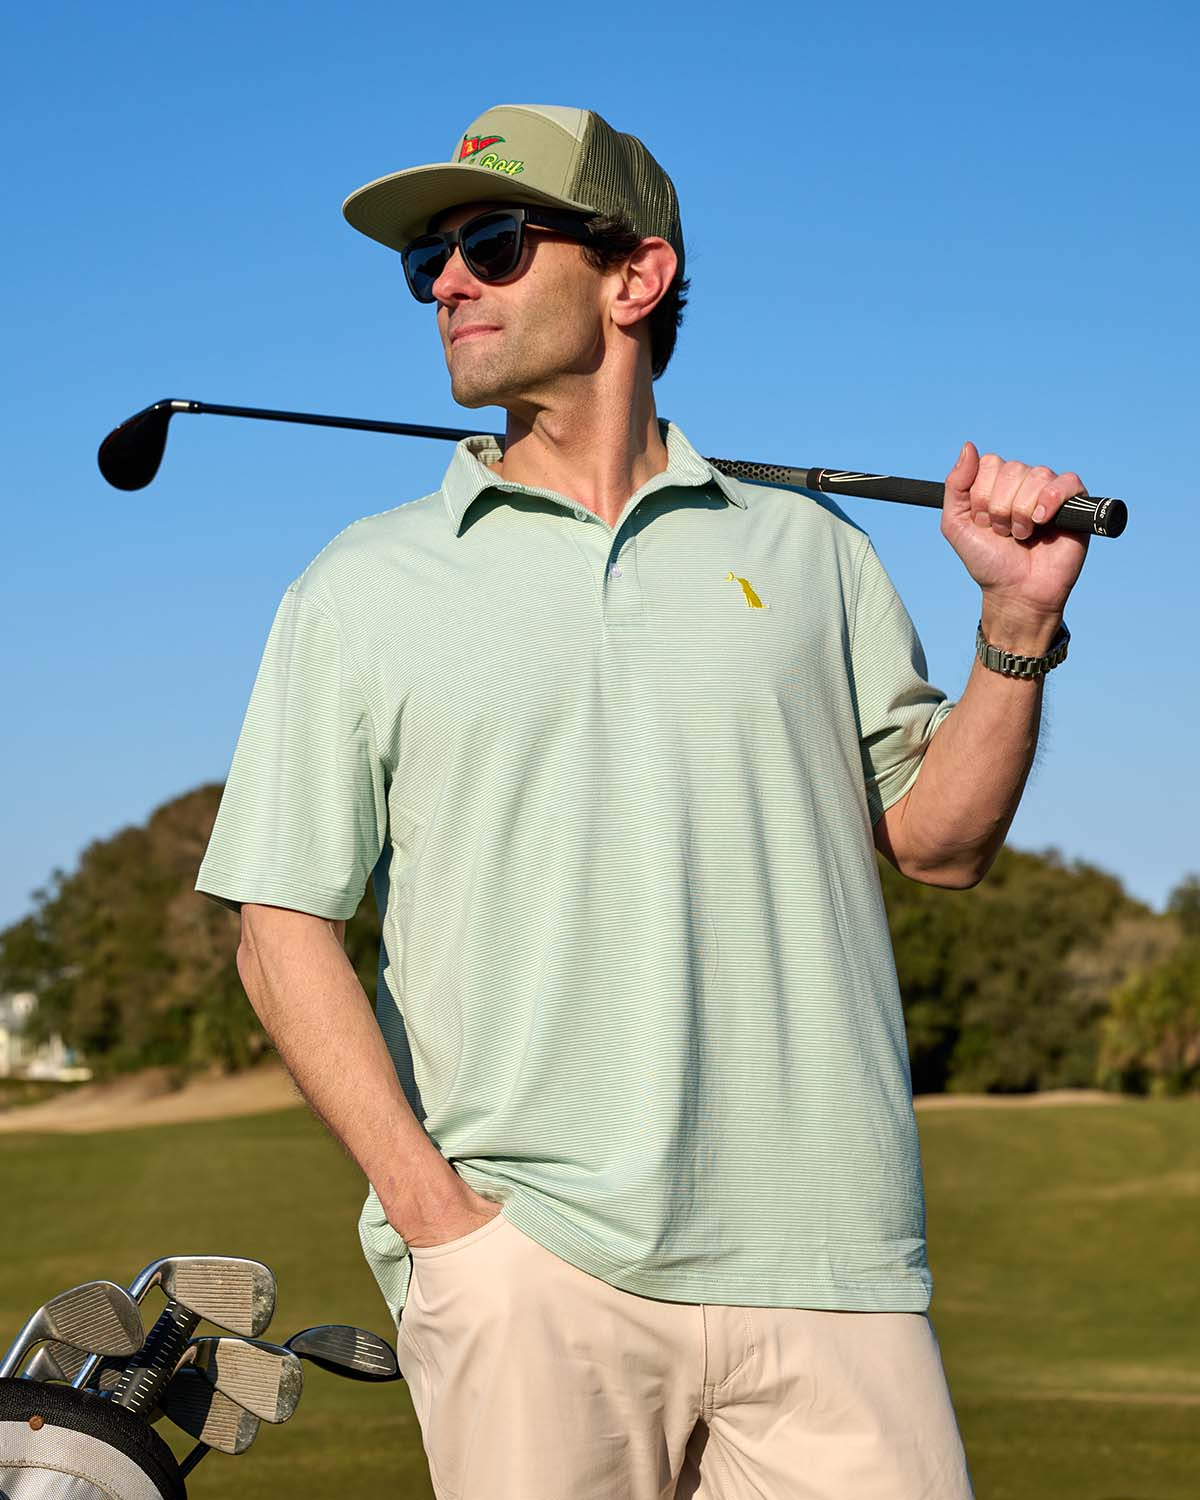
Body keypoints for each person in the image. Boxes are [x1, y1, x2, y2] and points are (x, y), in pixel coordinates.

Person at [196, 104, 1090, 1499]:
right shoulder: (360, 588)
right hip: (533, 1267)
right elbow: (278, 926)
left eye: (490, 245)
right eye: (428, 263)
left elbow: (940, 841)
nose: (446, 285)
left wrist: (1016, 626)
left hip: (835, 1263)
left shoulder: (812, 551)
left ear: (635, 277)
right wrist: (445, 1227)